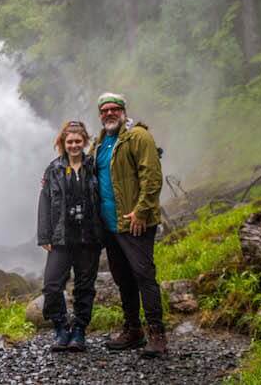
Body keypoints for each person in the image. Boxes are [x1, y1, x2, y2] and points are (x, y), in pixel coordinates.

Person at [90, 92, 166, 358]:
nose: (109, 113)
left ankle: (157, 334)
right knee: (123, 279)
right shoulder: (99, 144)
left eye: (114, 109)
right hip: (110, 226)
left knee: (144, 276)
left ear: (123, 111)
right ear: (100, 115)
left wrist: (142, 211)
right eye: (104, 110)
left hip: (135, 222)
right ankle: (133, 330)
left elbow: (152, 175)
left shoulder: (138, 136)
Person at [37, 121, 102, 352]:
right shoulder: (53, 170)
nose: (74, 145)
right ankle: (61, 329)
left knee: (85, 286)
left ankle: (79, 331)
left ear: (84, 142)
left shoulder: (94, 166)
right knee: (52, 285)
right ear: (62, 144)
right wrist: (44, 235)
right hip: (61, 238)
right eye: (69, 141)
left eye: (77, 141)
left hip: (89, 237)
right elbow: (44, 203)